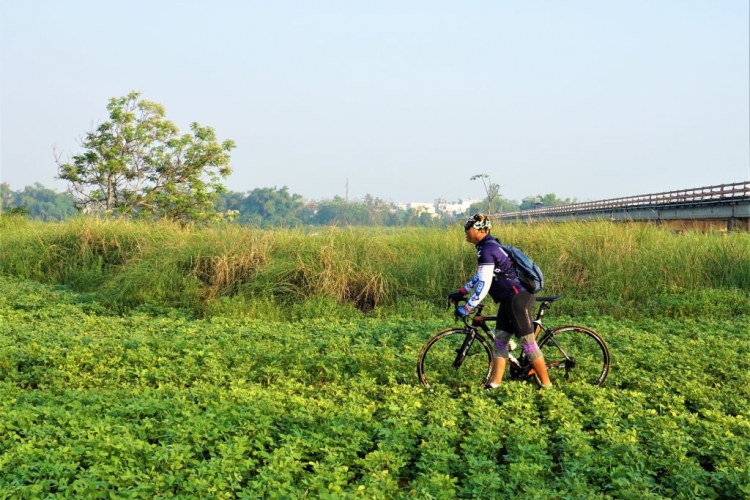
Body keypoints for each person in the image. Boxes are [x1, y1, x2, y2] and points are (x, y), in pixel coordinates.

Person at [447, 213, 552, 389]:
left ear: (481, 230)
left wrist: (468, 306)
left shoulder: (488, 249)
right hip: (507, 300)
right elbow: (481, 275)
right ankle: (494, 384)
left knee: (527, 343)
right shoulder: (486, 247)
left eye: (469, 228)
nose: (465, 231)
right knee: (500, 341)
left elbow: (485, 283)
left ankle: (547, 385)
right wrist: (462, 292)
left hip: (518, 299)